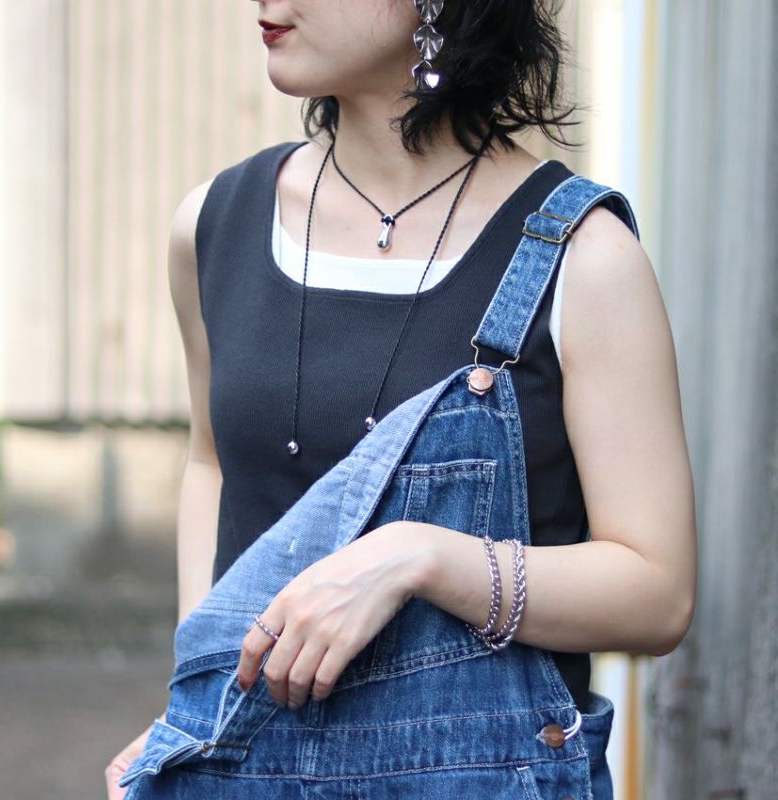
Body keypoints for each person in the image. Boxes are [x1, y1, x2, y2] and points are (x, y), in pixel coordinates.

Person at [105, 1, 697, 797]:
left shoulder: (585, 258)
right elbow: (212, 468)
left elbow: (657, 594)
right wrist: (197, 701)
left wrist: (420, 559)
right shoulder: (215, 224)